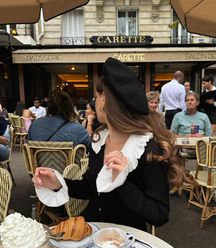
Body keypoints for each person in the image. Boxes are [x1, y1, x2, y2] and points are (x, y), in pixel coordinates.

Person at [32, 57, 188, 231]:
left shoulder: (148, 149)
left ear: (105, 100)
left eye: (96, 96)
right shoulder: (100, 139)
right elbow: (92, 187)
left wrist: (122, 183)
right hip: (92, 233)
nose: (94, 100)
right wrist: (59, 183)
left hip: (128, 240)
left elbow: (159, 215)